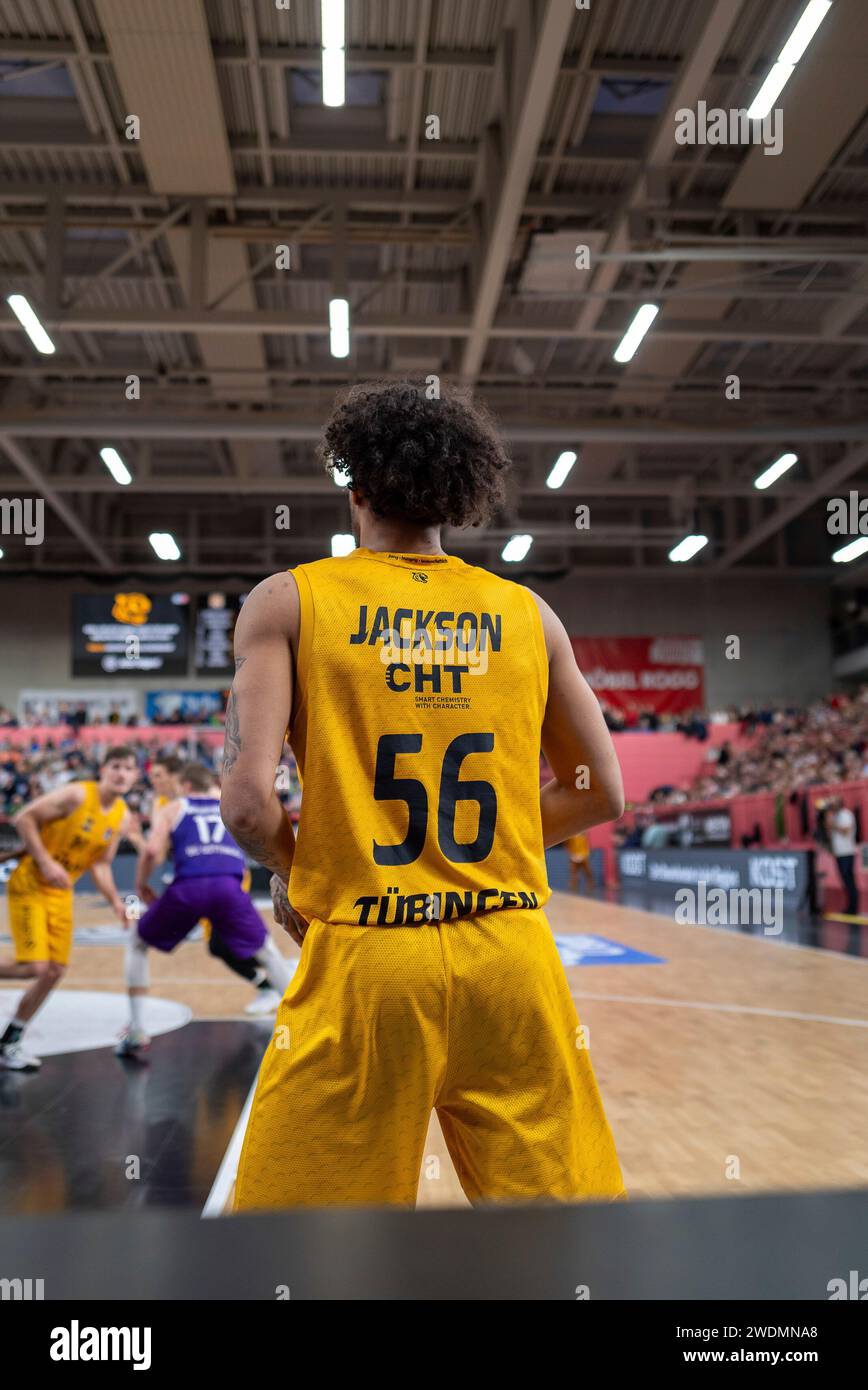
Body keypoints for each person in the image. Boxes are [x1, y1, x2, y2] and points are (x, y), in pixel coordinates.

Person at [221, 378, 626, 1209]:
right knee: (559, 1235)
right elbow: (599, 794)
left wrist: (304, 873)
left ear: (354, 485)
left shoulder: (289, 601)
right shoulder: (528, 613)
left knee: (309, 1244)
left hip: (370, 957)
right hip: (512, 954)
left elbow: (249, 807)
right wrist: (497, 842)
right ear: (455, 493)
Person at [116, 762, 292, 1059]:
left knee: (137, 942)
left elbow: (150, 851)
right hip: (229, 885)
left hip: (190, 885)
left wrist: (140, 883)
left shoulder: (172, 807)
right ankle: (301, 1026)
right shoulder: (228, 797)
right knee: (267, 951)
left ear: (184, 785)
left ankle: (136, 1028)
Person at [0, 747, 138, 1071]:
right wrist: (46, 863)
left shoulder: (121, 816)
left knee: (53, 971)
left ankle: (10, 1042)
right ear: (103, 769)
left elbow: (102, 865)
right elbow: (24, 819)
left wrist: (116, 902)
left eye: (128, 768)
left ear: (135, 776)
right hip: (31, 883)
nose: (121, 773)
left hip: (61, 893)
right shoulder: (77, 795)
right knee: (35, 966)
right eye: (115, 766)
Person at [827, 796, 860, 917]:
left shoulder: (846, 814)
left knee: (849, 880)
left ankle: (853, 907)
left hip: (847, 852)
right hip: (839, 853)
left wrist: (833, 824)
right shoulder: (835, 816)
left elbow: (846, 831)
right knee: (844, 880)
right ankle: (849, 906)